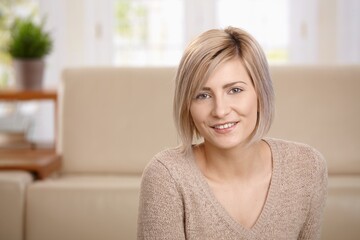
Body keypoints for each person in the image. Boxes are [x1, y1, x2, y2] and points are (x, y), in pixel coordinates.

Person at [137, 26, 327, 240]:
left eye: (235, 90)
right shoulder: (166, 177)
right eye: (202, 95)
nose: (220, 110)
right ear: (187, 106)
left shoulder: (306, 169)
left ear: (260, 93)